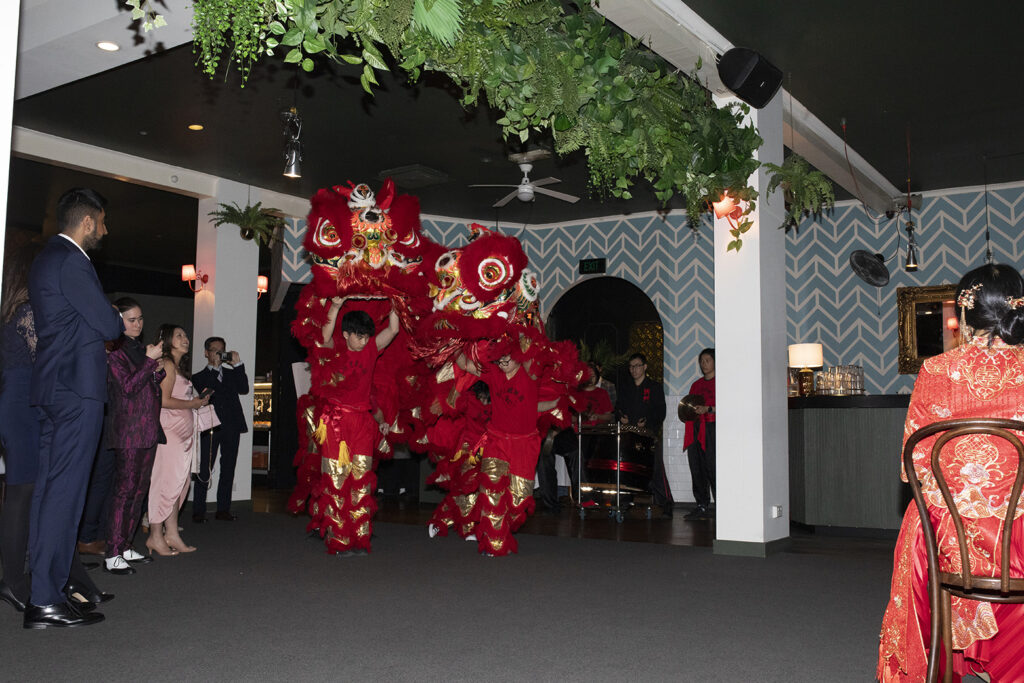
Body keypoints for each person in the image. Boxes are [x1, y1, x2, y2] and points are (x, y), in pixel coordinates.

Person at [878, 264, 1024, 682]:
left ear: (964, 310)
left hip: (951, 536)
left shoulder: (936, 371)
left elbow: (915, 465)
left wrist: (965, 496)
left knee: (920, 524)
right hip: (1019, 540)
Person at [25, 188, 123, 628]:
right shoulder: (73, 262)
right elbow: (108, 323)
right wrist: (113, 317)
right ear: (86, 222)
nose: (105, 229)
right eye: (101, 222)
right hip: (76, 389)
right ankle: (44, 598)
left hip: (53, 387)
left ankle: (52, 586)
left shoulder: (47, 258)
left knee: (52, 492)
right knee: (65, 494)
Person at [0, 242, 112, 619]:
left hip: (23, 403)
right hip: (27, 407)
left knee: (32, 492)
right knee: (34, 493)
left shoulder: (12, 312)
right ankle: (20, 581)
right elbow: (47, 354)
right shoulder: (28, 312)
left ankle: (57, 578)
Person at [310, 296, 399, 555]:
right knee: (337, 480)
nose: (363, 341)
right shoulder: (335, 348)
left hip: (362, 421)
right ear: (347, 334)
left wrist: (396, 301)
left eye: (366, 336)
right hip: (336, 421)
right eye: (359, 336)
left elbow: (393, 330)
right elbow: (322, 337)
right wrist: (336, 306)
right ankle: (338, 539)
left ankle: (360, 538)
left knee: (361, 479)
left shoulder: (371, 348)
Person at [457, 342, 558, 556]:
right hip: (496, 441)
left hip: (524, 444)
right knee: (492, 491)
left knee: (520, 499)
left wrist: (520, 324)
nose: (503, 365)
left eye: (507, 360)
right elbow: (465, 364)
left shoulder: (530, 373)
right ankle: (493, 543)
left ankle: (498, 531)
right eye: (499, 361)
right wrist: (456, 341)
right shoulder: (493, 371)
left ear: (518, 357)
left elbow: (530, 349)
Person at [102, 297, 164, 575]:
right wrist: (150, 363)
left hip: (148, 428)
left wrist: (155, 373)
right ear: (118, 321)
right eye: (131, 319)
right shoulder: (114, 352)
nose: (138, 324)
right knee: (125, 490)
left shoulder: (138, 349)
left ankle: (125, 545)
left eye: (140, 319)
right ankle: (112, 551)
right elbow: (126, 388)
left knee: (139, 490)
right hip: (128, 430)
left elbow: (144, 387)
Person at [147, 325, 209, 556]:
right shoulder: (168, 364)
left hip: (183, 434)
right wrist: (192, 404)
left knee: (179, 484)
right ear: (167, 340)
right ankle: (155, 536)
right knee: (164, 483)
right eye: (179, 335)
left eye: (185, 335)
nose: (186, 339)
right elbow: (162, 401)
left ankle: (171, 533)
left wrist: (197, 402)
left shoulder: (179, 368)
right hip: (169, 432)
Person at [536, 362, 614, 511]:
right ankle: (550, 504)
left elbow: (574, 408)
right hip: (543, 427)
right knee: (545, 459)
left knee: (575, 453)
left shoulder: (567, 382)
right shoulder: (539, 379)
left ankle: (584, 497)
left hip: (563, 428)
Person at [190, 336, 250, 523]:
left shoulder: (232, 373)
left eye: (221, 349)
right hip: (210, 426)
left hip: (232, 425)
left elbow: (244, 388)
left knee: (228, 467)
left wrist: (238, 364)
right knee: (205, 468)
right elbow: (209, 390)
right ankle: (199, 511)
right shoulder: (199, 376)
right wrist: (216, 368)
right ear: (206, 353)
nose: (218, 353)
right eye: (214, 349)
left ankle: (223, 509)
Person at [615, 352, 672, 515]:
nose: (634, 369)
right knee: (628, 469)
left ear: (645, 367)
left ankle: (665, 503)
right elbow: (617, 408)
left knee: (655, 470)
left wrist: (647, 422)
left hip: (648, 436)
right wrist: (621, 417)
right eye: (631, 366)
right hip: (629, 435)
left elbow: (661, 411)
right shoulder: (626, 388)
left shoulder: (654, 387)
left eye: (637, 366)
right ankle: (626, 503)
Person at [683, 348, 716, 521]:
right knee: (697, 468)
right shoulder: (696, 385)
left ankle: (722, 507)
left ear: (715, 362)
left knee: (714, 468)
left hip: (712, 429)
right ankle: (701, 505)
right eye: (701, 361)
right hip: (696, 429)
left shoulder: (721, 382)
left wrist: (708, 409)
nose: (704, 364)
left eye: (707, 360)